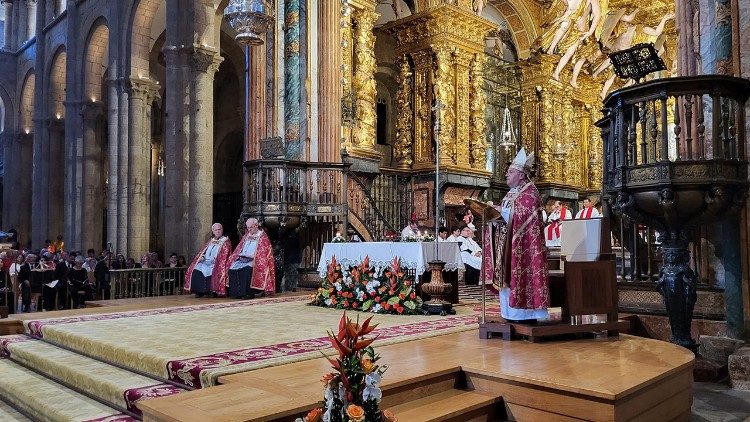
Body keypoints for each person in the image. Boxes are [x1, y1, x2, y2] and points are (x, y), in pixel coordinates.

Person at [483, 147, 549, 320]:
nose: (506, 175)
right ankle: (509, 313)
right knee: (507, 279)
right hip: (507, 244)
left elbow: (524, 215)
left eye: (510, 172)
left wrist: (501, 211)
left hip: (524, 247)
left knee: (521, 275)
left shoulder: (530, 193)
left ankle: (526, 314)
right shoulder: (511, 193)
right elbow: (506, 215)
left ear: (521, 175)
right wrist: (493, 216)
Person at [227, 218, 276, 299]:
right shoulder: (247, 235)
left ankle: (248, 293)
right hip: (243, 259)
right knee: (232, 268)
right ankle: (236, 293)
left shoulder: (262, 236)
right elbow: (239, 248)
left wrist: (254, 258)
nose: (249, 230)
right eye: (248, 228)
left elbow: (263, 253)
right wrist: (237, 256)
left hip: (255, 260)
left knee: (246, 269)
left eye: (251, 227)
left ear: (256, 225)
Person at [185, 223, 232, 298]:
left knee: (212, 271)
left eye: (219, 229)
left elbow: (225, 255)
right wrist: (202, 257)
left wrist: (217, 260)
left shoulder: (225, 241)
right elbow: (204, 251)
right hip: (205, 262)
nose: (218, 231)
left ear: (222, 230)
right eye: (215, 230)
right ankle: (199, 291)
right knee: (195, 268)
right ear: (213, 231)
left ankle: (212, 291)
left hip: (216, 263)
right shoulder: (211, 241)